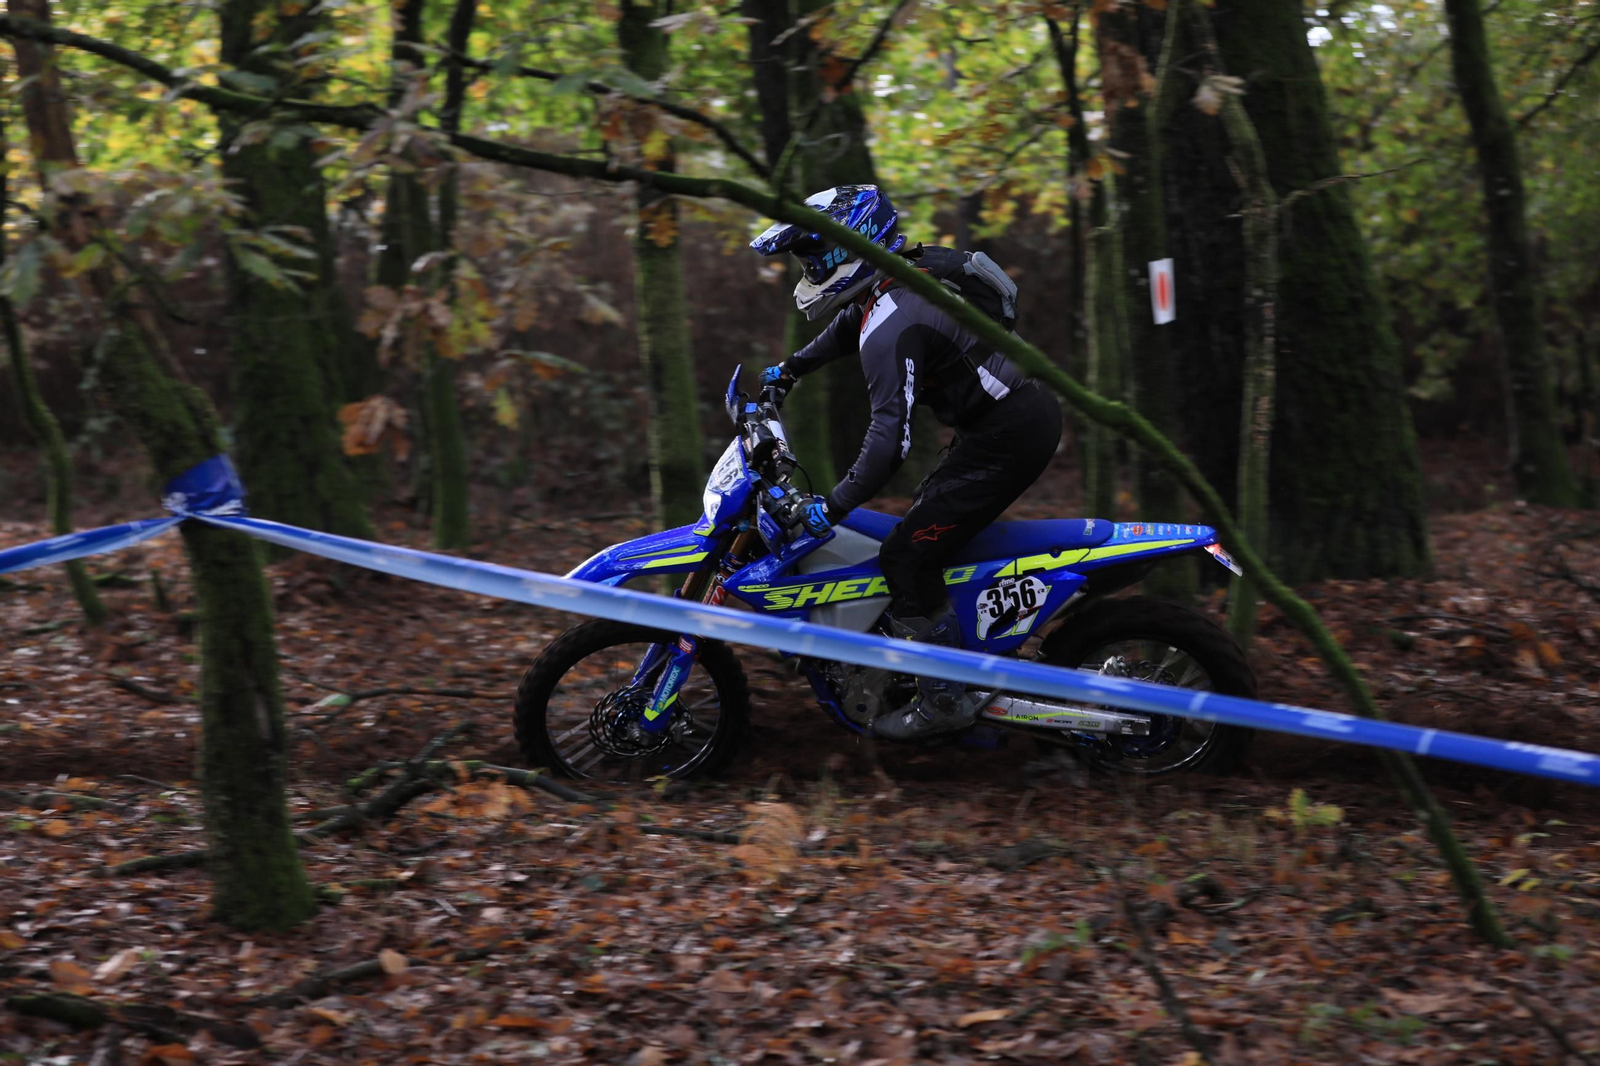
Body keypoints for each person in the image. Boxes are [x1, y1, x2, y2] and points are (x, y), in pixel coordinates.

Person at [749, 184, 1062, 741]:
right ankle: (963, 649)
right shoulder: (903, 274)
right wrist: (792, 368)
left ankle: (945, 696)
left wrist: (833, 505)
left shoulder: (892, 321)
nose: (809, 271)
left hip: (1008, 436)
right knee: (929, 533)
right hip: (1006, 422)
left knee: (905, 556)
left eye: (813, 258)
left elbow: (890, 440)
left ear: (853, 246)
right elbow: (850, 325)